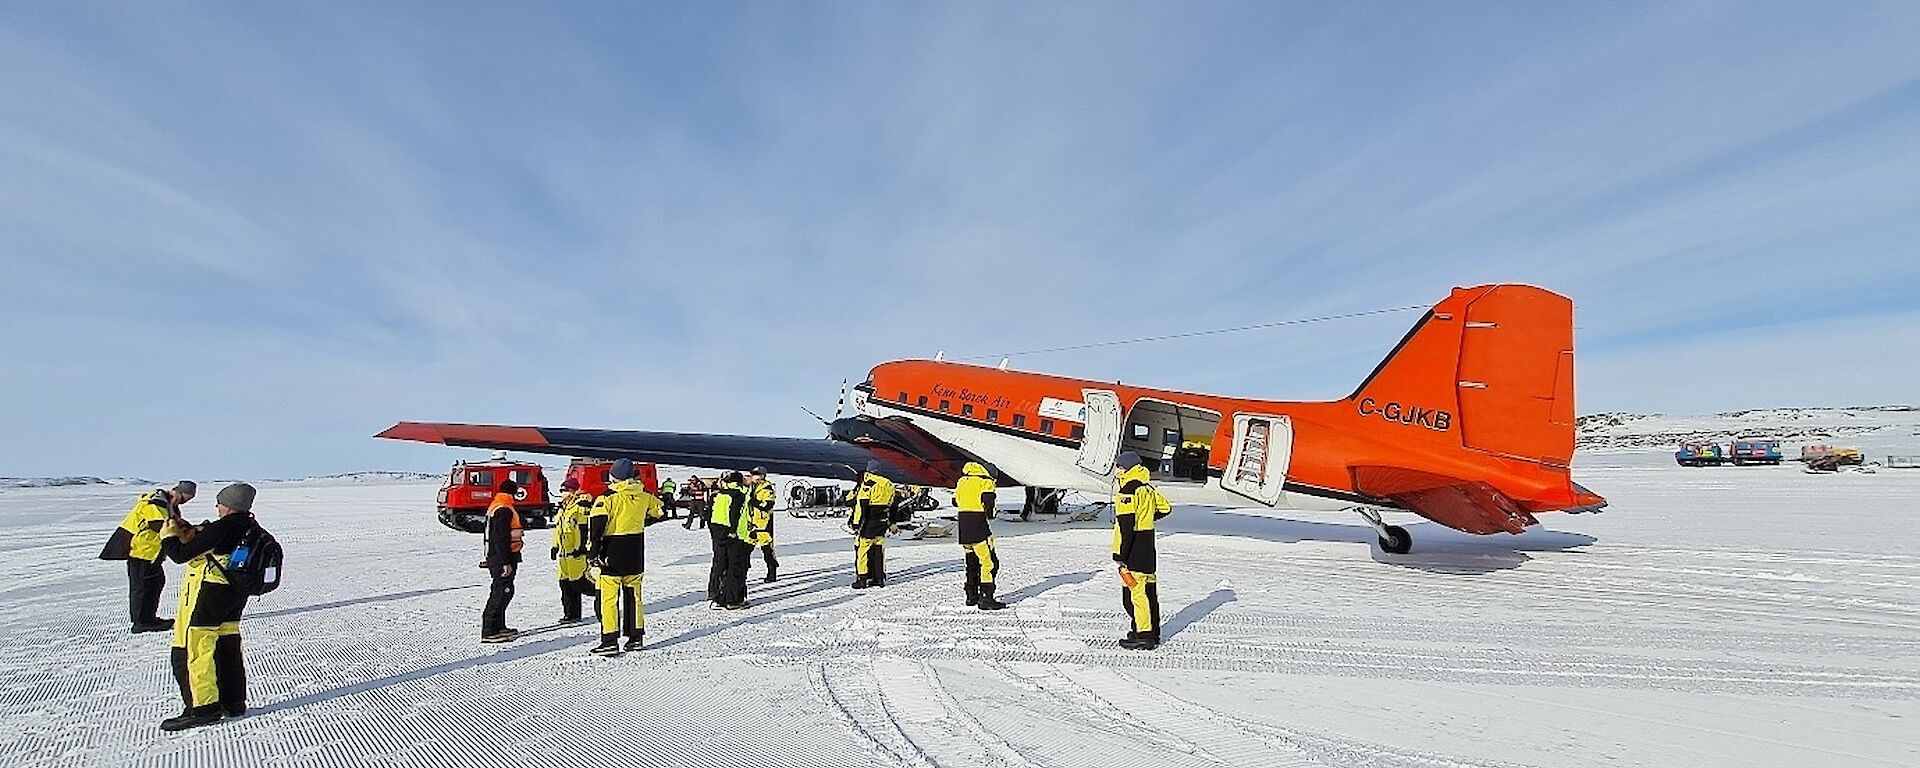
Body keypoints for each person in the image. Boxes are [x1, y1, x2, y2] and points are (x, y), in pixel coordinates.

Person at [157, 482, 258, 731]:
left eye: (219, 504)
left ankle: (202, 708)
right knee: (227, 646)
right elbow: (213, 542)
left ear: (228, 506)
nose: (217, 508)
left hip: (211, 592)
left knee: (195, 648)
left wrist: (168, 535)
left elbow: (181, 555)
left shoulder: (224, 526)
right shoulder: (250, 525)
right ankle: (233, 702)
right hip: (234, 593)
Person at [586, 459, 664, 655]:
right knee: (634, 596)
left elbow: (596, 528)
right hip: (635, 550)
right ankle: (635, 637)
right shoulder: (644, 496)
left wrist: (592, 554)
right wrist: (642, 522)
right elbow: (660, 511)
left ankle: (610, 639)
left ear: (613, 477)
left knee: (608, 598)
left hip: (612, 552)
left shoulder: (607, 498)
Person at [100, 480, 196, 633]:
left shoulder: (168, 506)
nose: (184, 502)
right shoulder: (155, 503)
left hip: (152, 554)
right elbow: (161, 526)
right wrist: (186, 534)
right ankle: (141, 622)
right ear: (177, 491)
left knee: (155, 583)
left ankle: (148, 618)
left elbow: (172, 523)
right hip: (141, 552)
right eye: (184, 498)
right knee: (142, 587)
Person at [1112, 452, 1170, 650]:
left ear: (1127, 468)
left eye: (1119, 467)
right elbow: (1165, 508)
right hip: (1148, 545)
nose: (1116, 470)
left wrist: (1121, 555)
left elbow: (1126, 526)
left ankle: (1143, 634)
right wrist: (1146, 518)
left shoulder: (1127, 491)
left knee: (1135, 594)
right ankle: (1152, 632)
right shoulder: (1147, 487)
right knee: (1149, 591)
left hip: (1134, 547)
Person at [954, 463, 1006, 610]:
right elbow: (989, 505)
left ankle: (971, 595)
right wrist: (989, 513)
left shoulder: (962, 481)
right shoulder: (986, 482)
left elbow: (954, 500)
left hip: (963, 525)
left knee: (971, 561)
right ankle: (986, 597)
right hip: (977, 524)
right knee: (989, 562)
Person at [479, 479, 524, 643]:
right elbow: (500, 538)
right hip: (503, 557)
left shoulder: (498, 505)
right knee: (501, 592)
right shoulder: (504, 509)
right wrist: (505, 562)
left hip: (500, 556)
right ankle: (490, 630)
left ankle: (499, 626)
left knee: (505, 591)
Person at [550, 478, 596, 625]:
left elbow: (583, 530)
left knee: (580, 582)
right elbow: (559, 530)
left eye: (565, 491)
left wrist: (581, 548)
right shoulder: (563, 508)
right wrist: (555, 546)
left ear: (573, 492)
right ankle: (571, 614)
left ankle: (603, 595)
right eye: (562, 491)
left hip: (576, 553)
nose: (562, 493)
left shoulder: (580, 508)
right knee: (565, 585)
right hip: (564, 554)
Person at [706, 472, 753, 609]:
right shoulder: (738, 494)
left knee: (721, 564)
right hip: (734, 534)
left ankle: (719, 597)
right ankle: (733, 600)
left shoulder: (721, 494)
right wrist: (733, 531)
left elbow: (710, 513)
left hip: (718, 532)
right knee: (735, 566)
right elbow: (735, 513)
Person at [850, 461, 896, 589]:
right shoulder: (889, 484)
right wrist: (892, 522)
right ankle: (878, 577)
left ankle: (863, 578)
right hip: (882, 522)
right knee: (878, 549)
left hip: (869, 522)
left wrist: (856, 523)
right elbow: (893, 505)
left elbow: (861, 505)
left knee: (862, 549)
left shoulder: (868, 484)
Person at [746, 467, 779, 583]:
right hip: (750, 523)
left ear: (762, 476)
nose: (753, 476)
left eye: (756, 474)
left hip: (763, 524)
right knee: (745, 550)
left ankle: (772, 572)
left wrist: (755, 502)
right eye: (752, 474)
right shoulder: (750, 487)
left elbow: (768, 505)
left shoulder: (767, 488)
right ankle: (742, 573)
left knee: (767, 550)